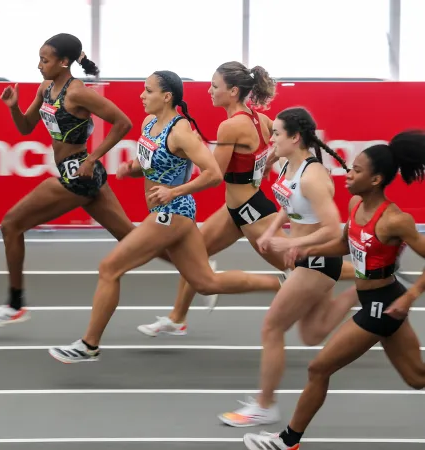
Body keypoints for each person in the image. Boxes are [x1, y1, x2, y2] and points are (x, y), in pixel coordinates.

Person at [47, 70, 283, 363]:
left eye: (148, 91)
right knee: (205, 282)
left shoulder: (181, 131)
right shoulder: (149, 123)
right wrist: (131, 169)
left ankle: (89, 345)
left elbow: (212, 174)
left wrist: (174, 192)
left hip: (172, 213)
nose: (141, 96)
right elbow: (150, 163)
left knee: (110, 268)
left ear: (166, 96)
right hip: (168, 214)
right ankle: (280, 285)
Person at [137, 62, 355, 338]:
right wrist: (263, 166)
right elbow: (272, 149)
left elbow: (213, 174)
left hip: (250, 212)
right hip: (236, 209)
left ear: (233, 91)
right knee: (194, 257)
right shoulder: (259, 119)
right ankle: (177, 318)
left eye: (215, 86)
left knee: (301, 264)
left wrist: (175, 188)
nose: (210, 90)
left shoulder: (230, 127)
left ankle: (366, 272)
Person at [242, 130, 425, 450]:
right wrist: (306, 251)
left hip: (384, 304)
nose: (347, 174)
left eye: (356, 170)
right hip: (374, 299)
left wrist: (410, 297)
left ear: (376, 179)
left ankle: (288, 441)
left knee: (319, 368)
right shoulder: (356, 204)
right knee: (416, 378)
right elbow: (344, 243)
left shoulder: (396, 220)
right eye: (350, 167)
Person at [0, 33, 135, 328]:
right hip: (81, 174)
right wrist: (13, 107)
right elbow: (25, 128)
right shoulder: (46, 88)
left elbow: (123, 123)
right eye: (39, 58)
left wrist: (91, 158)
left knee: (11, 224)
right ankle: (199, 268)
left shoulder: (78, 93)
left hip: (79, 173)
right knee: (134, 239)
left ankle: (15, 304)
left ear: (64, 62)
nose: (39, 65)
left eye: (45, 60)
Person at [218, 107, 359, 427]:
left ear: (295, 138)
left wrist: (292, 244)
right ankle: (359, 293)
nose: (271, 139)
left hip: (317, 260)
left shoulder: (312, 176)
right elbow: (286, 204)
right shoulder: (288, 167)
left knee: (272, 327)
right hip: (305, 259)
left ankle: (265, 405)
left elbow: (333, 228)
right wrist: (271, 233)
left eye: (277, 134)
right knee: (311, 334)